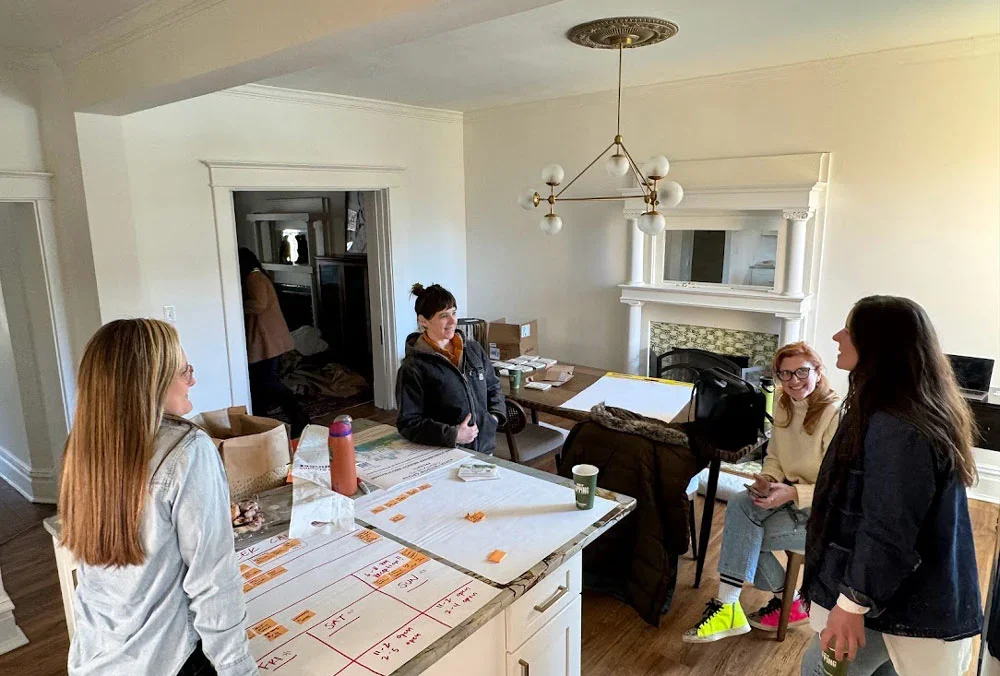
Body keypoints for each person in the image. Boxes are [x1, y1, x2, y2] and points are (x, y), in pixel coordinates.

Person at [59, 319, 257, 676]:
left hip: (97, 658)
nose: (192, 380)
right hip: (169, 659)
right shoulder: (187, 449)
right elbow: (214, 582)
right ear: (150, 383)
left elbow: (130, 535)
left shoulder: (84, 445)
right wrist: (238, 670)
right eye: (183, 370)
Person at [800, 296, 982, 676]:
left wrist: (851, 605)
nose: (836, 336)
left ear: (878, 344)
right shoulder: (893, 411)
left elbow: (888, 526)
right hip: (891, 597)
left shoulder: (898, 427)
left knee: (818, 669)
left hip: (895, 602)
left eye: (849, 330)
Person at [684, 342, 840, 643]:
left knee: (744, 539)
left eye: (801, 372)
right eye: (785, 374)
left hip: (822, 513)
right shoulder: (783, 401)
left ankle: (784, 601)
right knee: (743, 502)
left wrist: (793, 494)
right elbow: (776, 454)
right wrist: (768, 478)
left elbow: (838, 486)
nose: (793, 380)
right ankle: (738, 605)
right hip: (790, 495)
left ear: (818, 372)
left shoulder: (834, 416)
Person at [396, 283, 506, 454]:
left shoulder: (474, 349)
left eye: (454, 312)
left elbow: (493, 386)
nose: (453, 321)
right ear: (423, 321)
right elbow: (409, 423)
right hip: (446, 453)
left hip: (486, 449)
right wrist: (453, 435)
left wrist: (493, 418)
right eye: (443, 316)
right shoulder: (413, 367)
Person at [239, 247, 309, 438]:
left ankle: (298, 416)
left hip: (267, 339)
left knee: (267, 381)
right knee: (262, 381)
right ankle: (262, 419)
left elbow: (259, 304)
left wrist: (236, 304)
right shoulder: (259, 276)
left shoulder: (254, 278)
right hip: (268, 337)